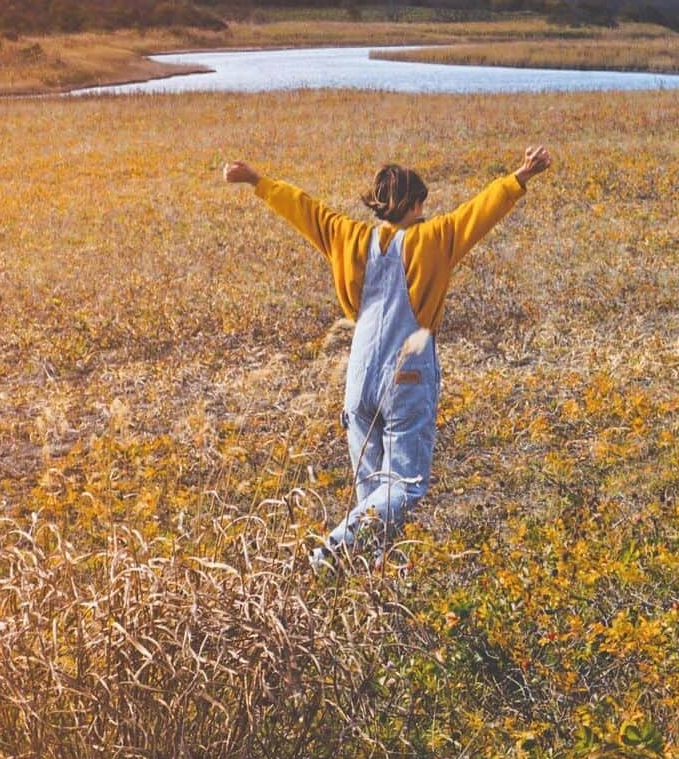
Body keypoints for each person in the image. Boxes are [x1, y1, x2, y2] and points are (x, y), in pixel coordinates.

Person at [223, 146, 551, 566]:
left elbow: (304, 208)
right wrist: (521, 174)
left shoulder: (347, 236)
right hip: (406, 376)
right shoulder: (434, 238)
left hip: (358, 376)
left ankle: (370, 572)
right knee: (405, 484)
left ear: (378, 203)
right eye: (421, 206)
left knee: (373, 488)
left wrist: (256, 179)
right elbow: (480, 211)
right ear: (414, 204)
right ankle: (332, 550)